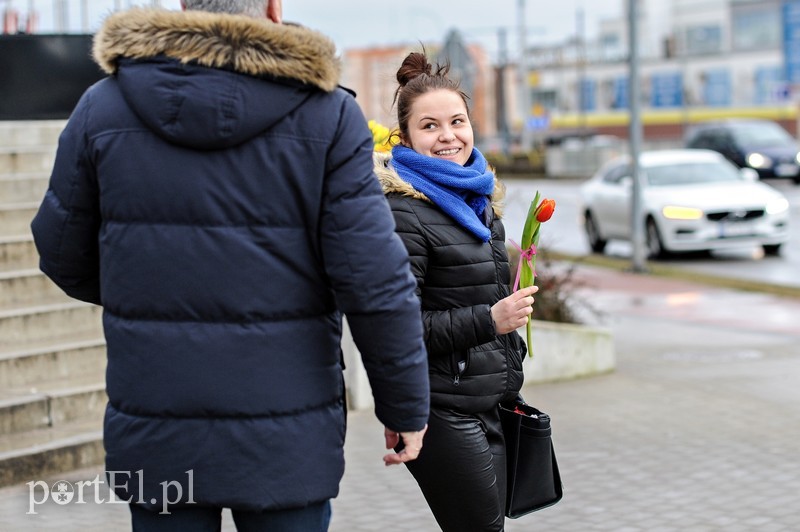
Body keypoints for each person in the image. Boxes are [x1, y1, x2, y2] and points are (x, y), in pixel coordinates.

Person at [30, 2, 429, 530]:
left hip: (158, 430)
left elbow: (61, 251)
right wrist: (404, 408)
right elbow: (376, 281)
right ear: (272, 7)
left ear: (185, 6)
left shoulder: (103, 107)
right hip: (286, 439)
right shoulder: (327, 114)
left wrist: (151, 293)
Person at [373, 51, 538, 532]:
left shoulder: (481, 204)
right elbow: (397, 328)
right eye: (430, 126)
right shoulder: (402, 213)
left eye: (457, 121)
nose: (448, 136)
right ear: (405, 138)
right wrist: (492, 319)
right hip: (442, 411)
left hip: (491, 400)